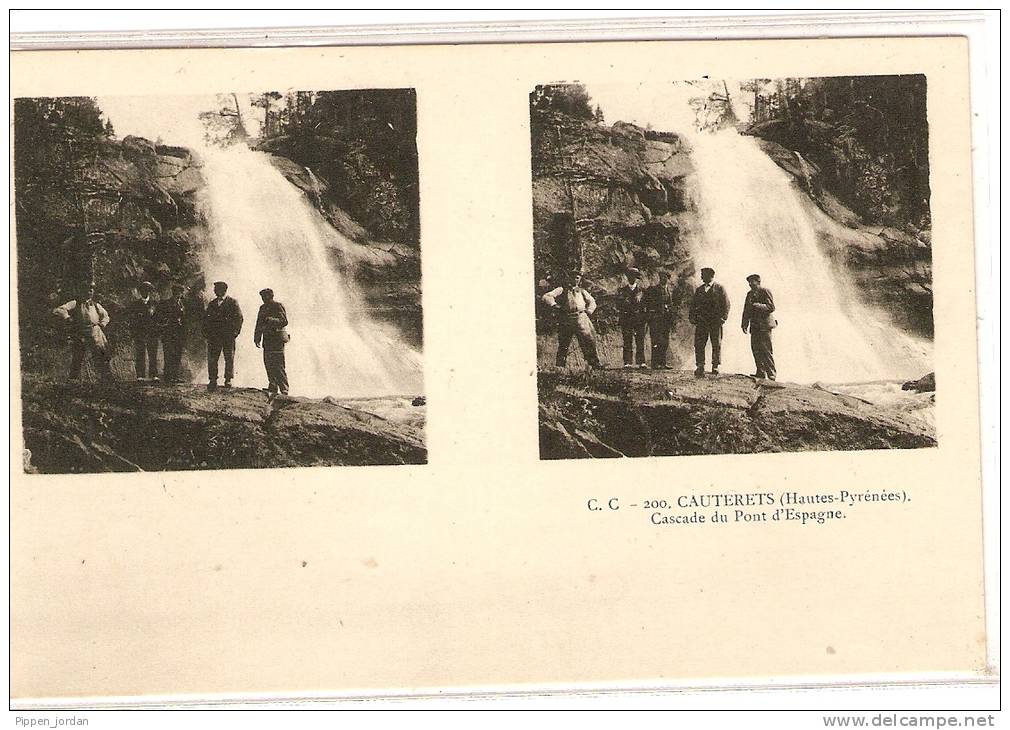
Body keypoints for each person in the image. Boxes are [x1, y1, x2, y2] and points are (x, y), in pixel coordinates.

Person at [52, 282, 112, 382]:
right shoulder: (75, 303)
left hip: (95, 332)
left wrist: (102, 324)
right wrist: (67, 317)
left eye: (91, 290)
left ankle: (105, 378)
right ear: (82, 291)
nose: (89, 292)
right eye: (87, 289)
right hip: (81, 332)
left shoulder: (96, 305)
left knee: (101, 354)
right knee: (78, 355)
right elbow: (59, 309)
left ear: (93, 292)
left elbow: (106, 316)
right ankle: (73, 380)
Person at [541, 270, 602, 369]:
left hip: (581, 318)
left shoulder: (582, 291)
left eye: (577, 278)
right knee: (564, 342)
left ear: (580, 279)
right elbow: (546, 296)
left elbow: (592, 302)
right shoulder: (561, 289)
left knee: (588, 340)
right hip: (566, 318)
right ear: (569, 278)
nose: (575, 280)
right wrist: (554, 304)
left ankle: (594, 365)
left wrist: (589, 311)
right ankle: (560, 367)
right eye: (573, 277)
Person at [689, 266, 730, 376]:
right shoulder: (699, 290)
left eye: (703, 275)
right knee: (699, 344)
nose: (701, 277)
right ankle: (700, 365)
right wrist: (692, 317)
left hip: (715, 322)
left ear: (710, 276)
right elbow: (693, 305)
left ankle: (715, 366)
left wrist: (723, 318)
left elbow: (726, 304)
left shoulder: (719, 288)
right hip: (702, 322)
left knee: (716, 344)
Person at [203, 280, 243, 390]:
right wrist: (206, 333)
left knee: (229, 357)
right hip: (214, 336)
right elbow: (206, 319)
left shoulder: (232, 302)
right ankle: (213, 379)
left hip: (228, 336)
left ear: (223, 290)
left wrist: (235, 333)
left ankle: (228, 379)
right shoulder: (212, 304)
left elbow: (239, 318)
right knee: (212, 358)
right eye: (215, 289)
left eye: (217, 289)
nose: (215, 291)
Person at [253, 288, 290, 396]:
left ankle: (284, 389)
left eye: (265, 296)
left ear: (271, 296)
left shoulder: (277, 306)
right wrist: (257, 337)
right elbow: (259, 323)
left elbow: (284, 321)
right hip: (267, 339)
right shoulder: (262, 308)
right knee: (268, 363)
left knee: (279, 364)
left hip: (277, 339)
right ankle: (273, 385)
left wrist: (271, 320)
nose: (263, 299)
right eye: (262, 297)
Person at [741, 273, 777, 380]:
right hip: (755, 326)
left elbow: (771, 307)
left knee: (766, 350)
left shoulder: (765, 291)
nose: (750, 284)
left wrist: (759, 306)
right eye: (749, 282)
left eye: (752, 282)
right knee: (755, 349)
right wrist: (744, 323)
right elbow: (746, 310)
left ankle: (771, 374)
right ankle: (760, 372)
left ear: (758, 282)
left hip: (765, 326)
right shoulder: (749, 294)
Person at [643, 269, 676, 369]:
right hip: (656, 320)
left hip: (666, 320)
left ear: (668, 279)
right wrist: (650, 314)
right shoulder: (653, 289)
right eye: (661, 277)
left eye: (665, 277)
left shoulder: (669, 291)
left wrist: (671, 317)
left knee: (665, 341)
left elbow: (671, 305)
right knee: (655, 341)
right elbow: (647, 302)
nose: (663, 279)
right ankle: (654, 363)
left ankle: (663, 363)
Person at [128, 281, 160, 381]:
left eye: (147, 290)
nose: (145, 292)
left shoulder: (154, 304)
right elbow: (132, 319)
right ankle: (140, 375)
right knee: (140, 352)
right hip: (140, 332)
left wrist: (157, 329)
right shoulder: (135, 304)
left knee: (153, 353)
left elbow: (158, 318)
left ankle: (153, 374)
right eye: (143, 290)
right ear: (140, 291)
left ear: (150, 291)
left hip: (152, 332)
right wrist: (134, 331)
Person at [616, 267, 648, 368]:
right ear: (627, 277)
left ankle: (641, 362)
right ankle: (627, 362)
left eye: (634, 277)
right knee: (627, 340)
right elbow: (618, 305)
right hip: (626, 318)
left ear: (637, 278)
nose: (632, 278)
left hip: (639, 318)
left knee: (640, 340)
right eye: (630, 276)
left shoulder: (642, 291)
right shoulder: (621, 291)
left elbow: (646, 305)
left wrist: (644, 317)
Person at [158, 283, 188, 383]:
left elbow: (185, 320)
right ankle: (168, 376)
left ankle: (175, 376)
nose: (178, 294)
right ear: (173, 292)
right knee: (168, 354)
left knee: (177, 354)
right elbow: (160, 317)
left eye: (180, 292)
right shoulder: (166, 303)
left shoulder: (183, 304)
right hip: (169, 333)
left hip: (179, 334)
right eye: (176, 292)